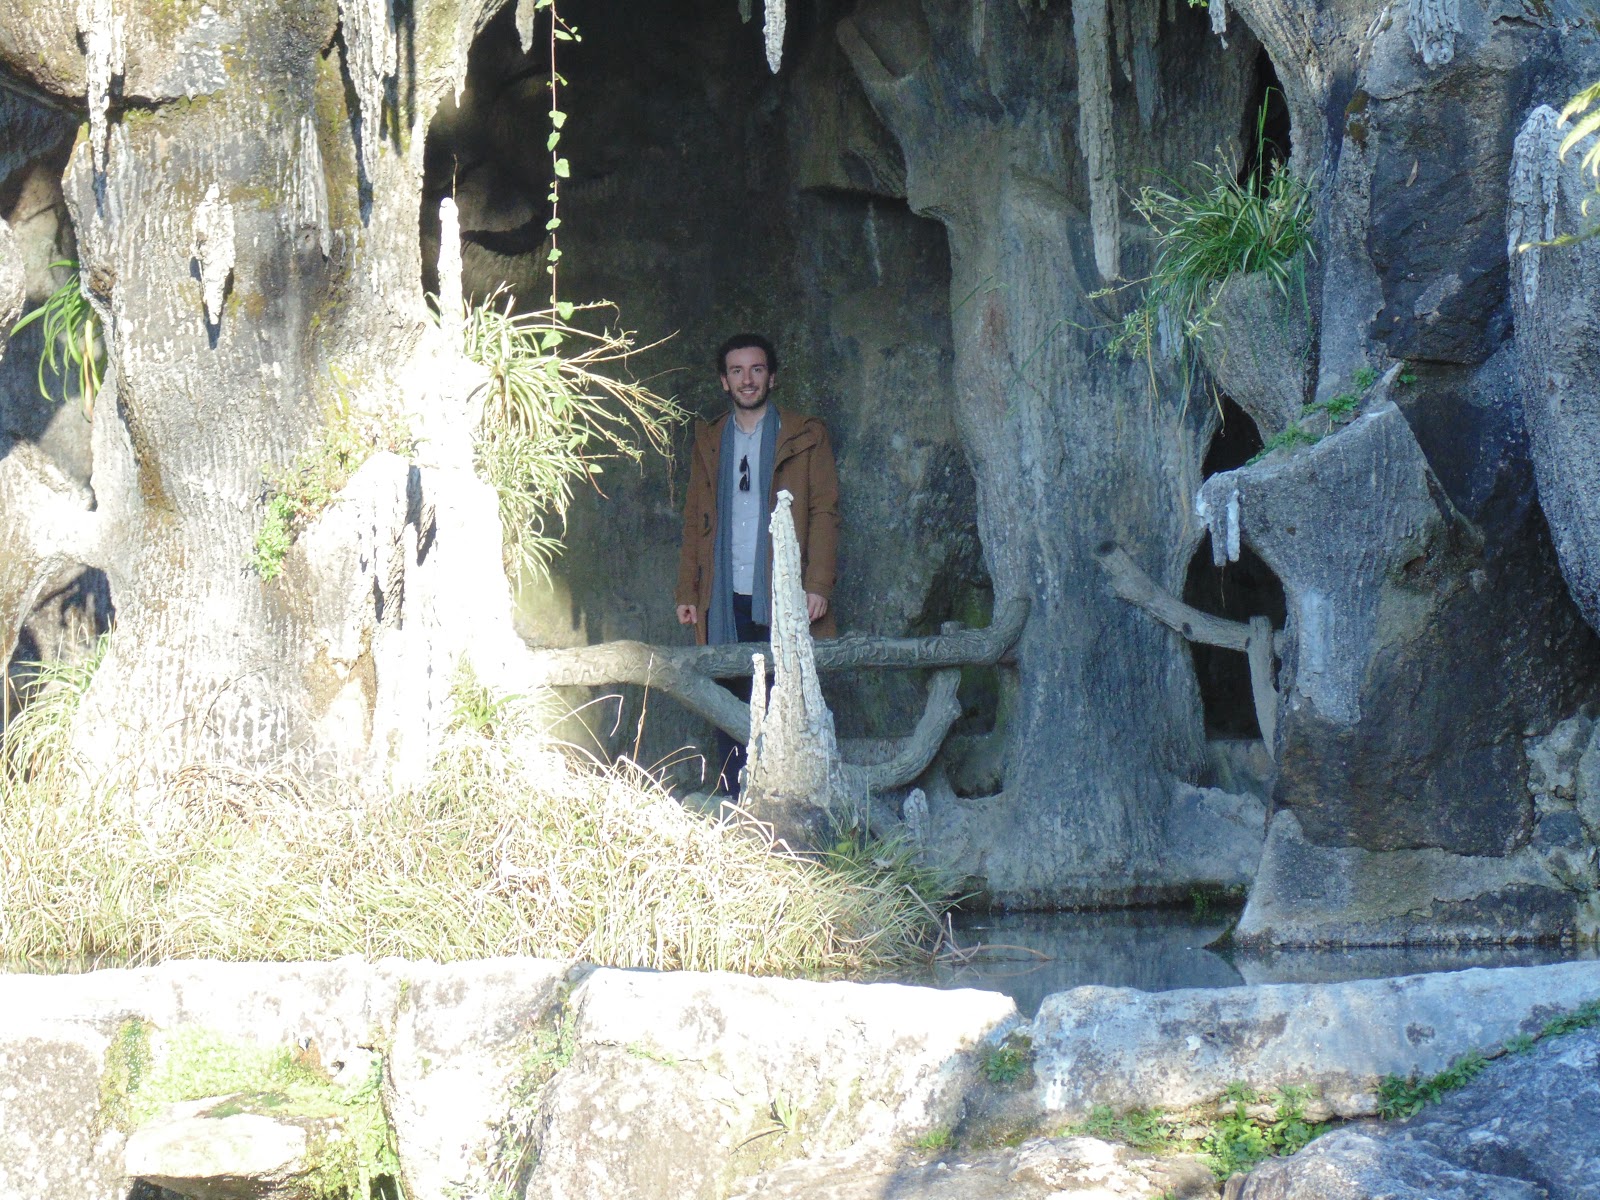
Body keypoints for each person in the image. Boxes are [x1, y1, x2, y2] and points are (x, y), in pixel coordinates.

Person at [675, 333, 839, 795]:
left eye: (757, 369)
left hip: (783, 589)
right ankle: (737, 796)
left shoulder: (805, 435)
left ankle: (792, 796)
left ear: (772, 377)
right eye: (737, 371)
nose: (747, 380)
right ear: (724, 381)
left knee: (790, 689)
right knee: (729, 692)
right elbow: (695, 519)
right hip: (724, 592)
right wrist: (688, 591)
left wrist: (818, 584)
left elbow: (825, 512)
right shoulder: (710, 440)